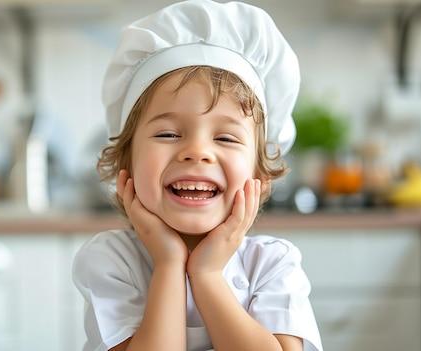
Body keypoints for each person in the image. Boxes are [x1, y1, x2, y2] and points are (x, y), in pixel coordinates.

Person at [72, 1, 323, 350]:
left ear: (259, 178)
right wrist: (168, 263)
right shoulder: (111, 261)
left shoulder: (272, 264)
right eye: (167, 134)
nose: (197, 151)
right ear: (126, 164)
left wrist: (205, 275)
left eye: (225, 137)